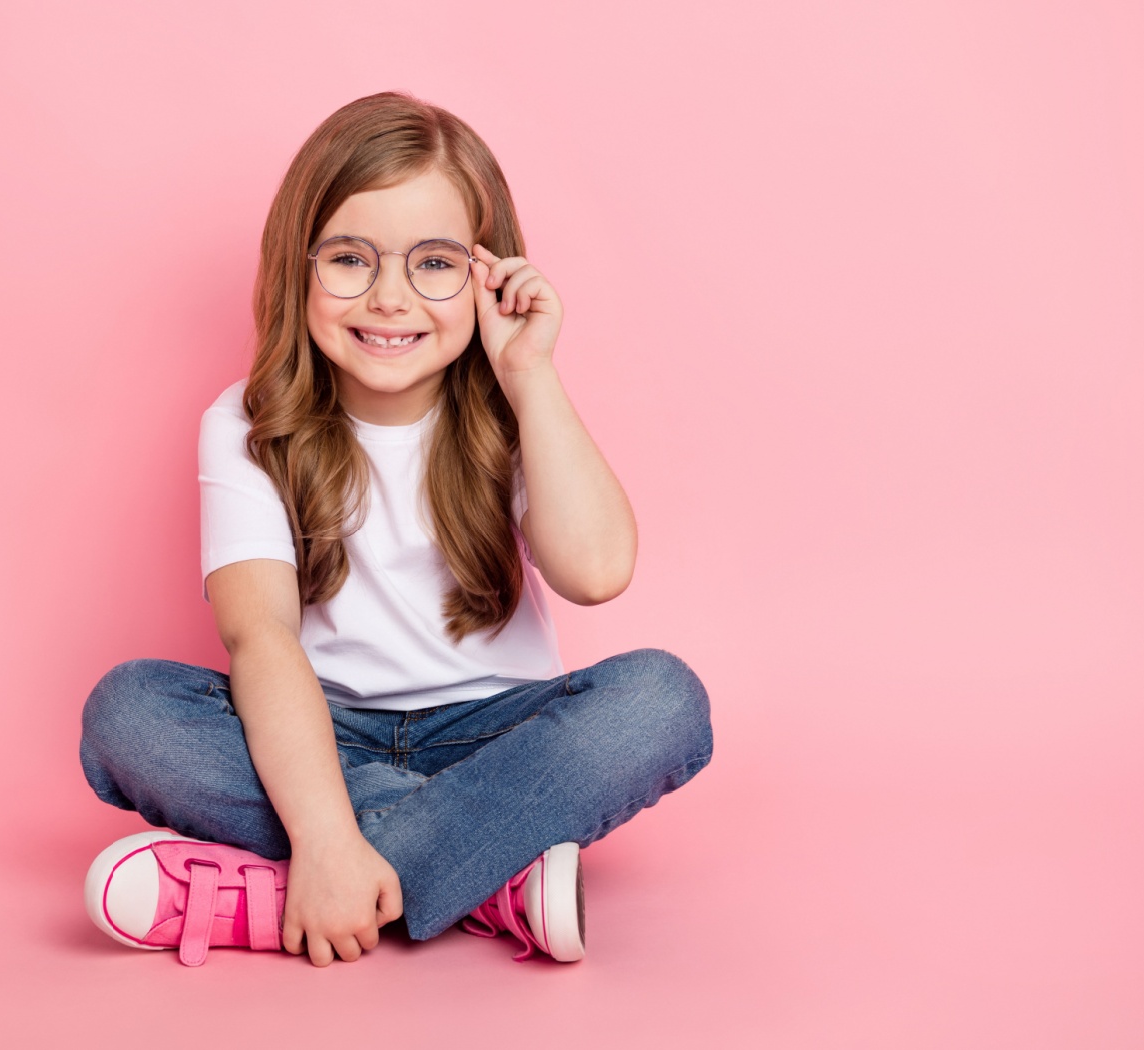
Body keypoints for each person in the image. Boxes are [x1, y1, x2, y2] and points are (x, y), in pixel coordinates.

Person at [79, 91, 713, 968]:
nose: (389, 298)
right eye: (349, 258)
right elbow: (258, 637)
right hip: (318, 741)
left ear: (488, 272)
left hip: (499, 733)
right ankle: (484, 876)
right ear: (297, 267)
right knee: (131, 714)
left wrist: (530, 374)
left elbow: (600, 569)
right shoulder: (246, 425)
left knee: (661, 700)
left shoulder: (509, 412)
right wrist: (325, 826)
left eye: (434, 264)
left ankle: (287, 896)